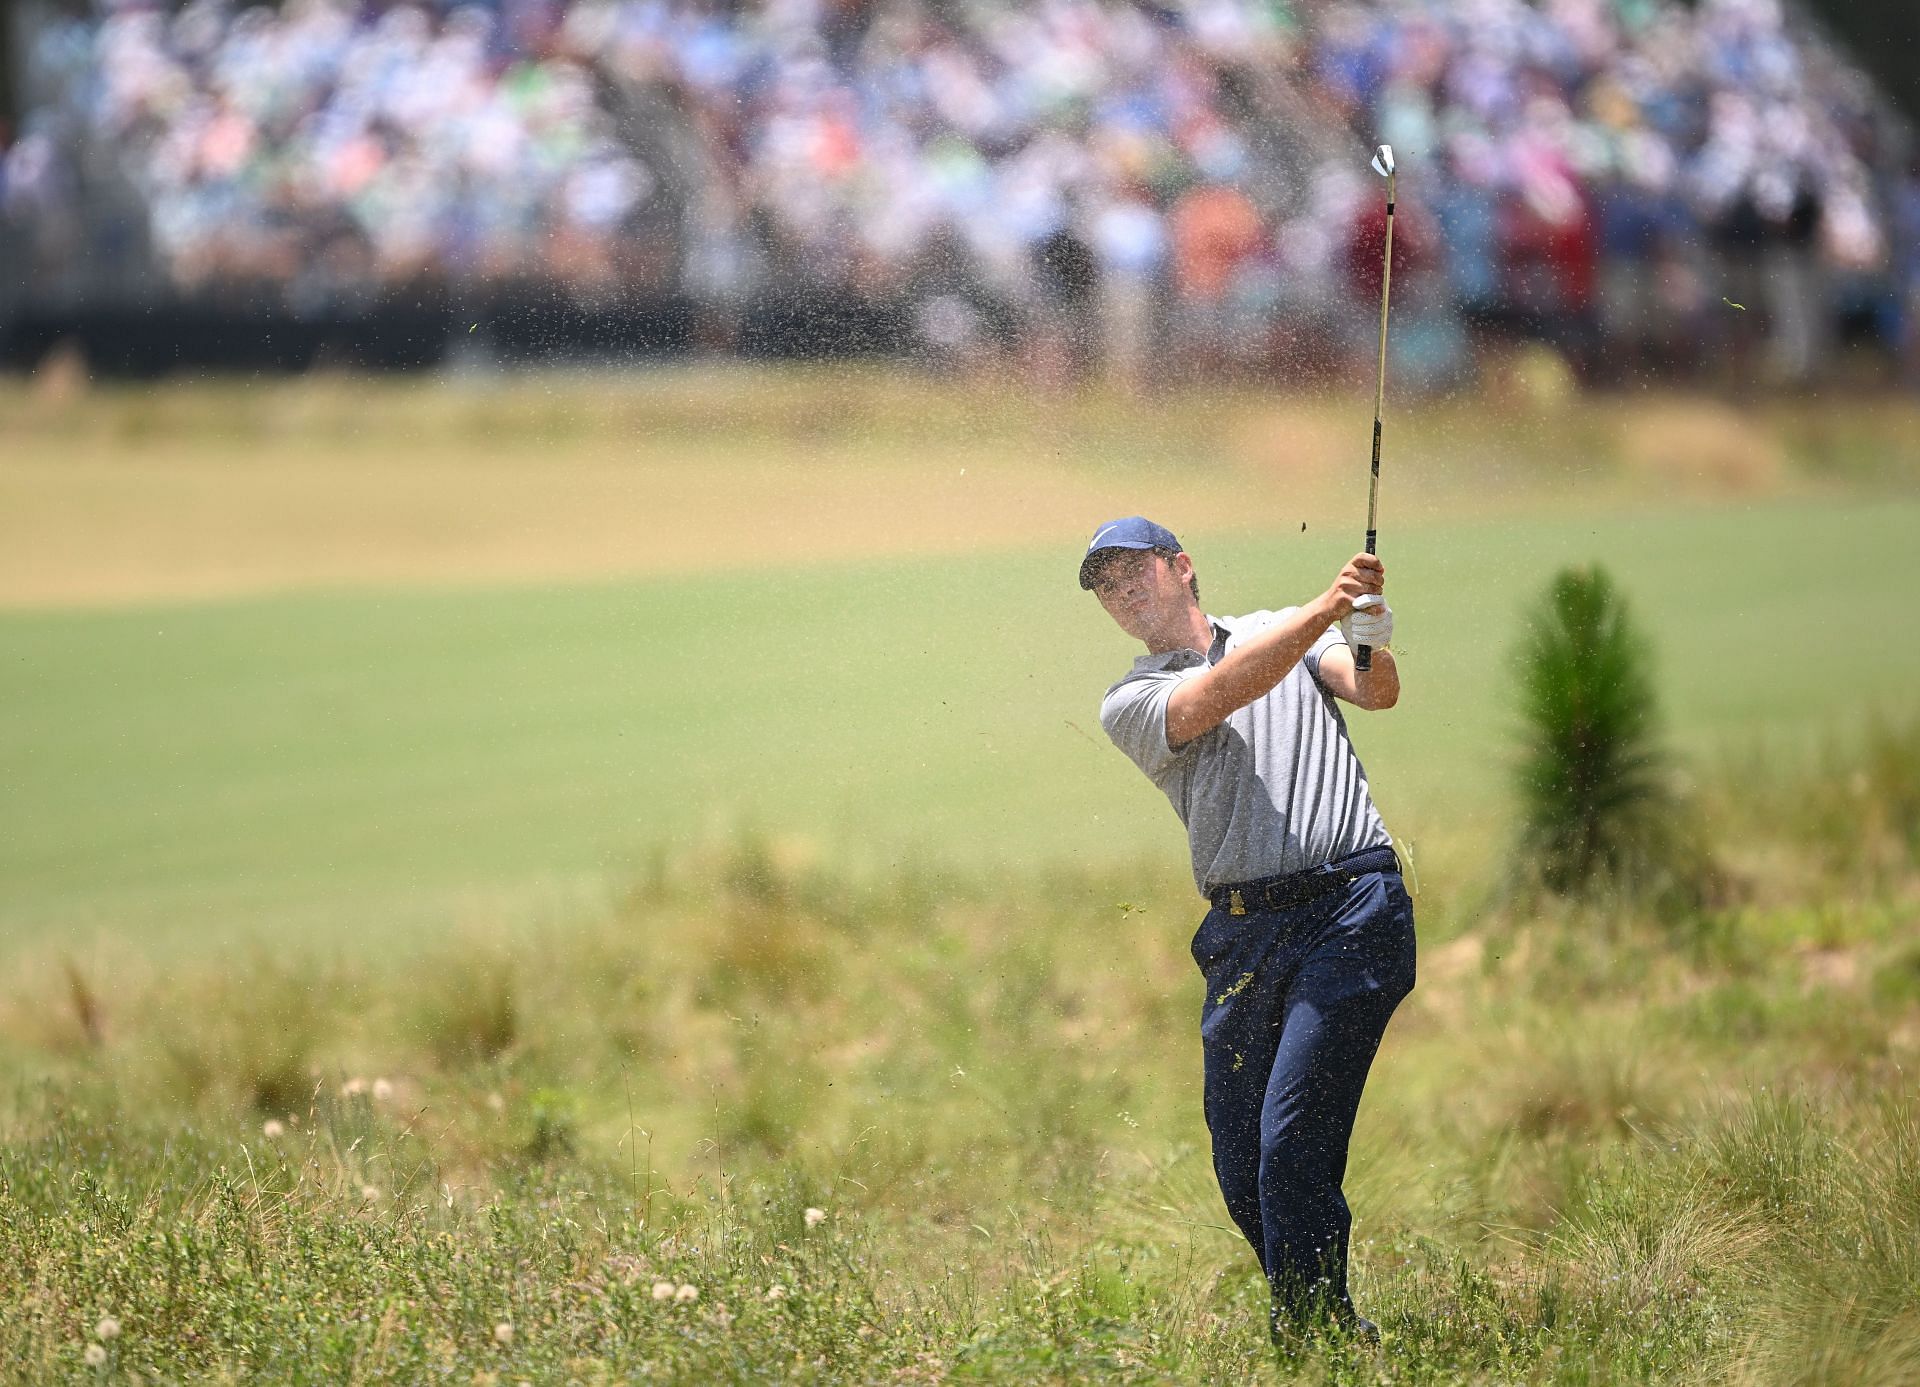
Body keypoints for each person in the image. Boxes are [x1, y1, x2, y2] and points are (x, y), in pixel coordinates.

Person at [1080, 516, 1415, 1345]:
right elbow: (1221, 693)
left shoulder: (1280, 633)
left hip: (1351, 910)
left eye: (1136, 573)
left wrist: (1366, 628)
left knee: (1291, 1146)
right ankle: (1331, 1324)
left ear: (1182, 567)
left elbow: (1376, 690)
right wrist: (1325, 606)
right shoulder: (1131, 699)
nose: (1124, 594)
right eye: (1107, 587)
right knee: (1242, 1168)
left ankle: (1310, 1342)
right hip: (1243, 936)